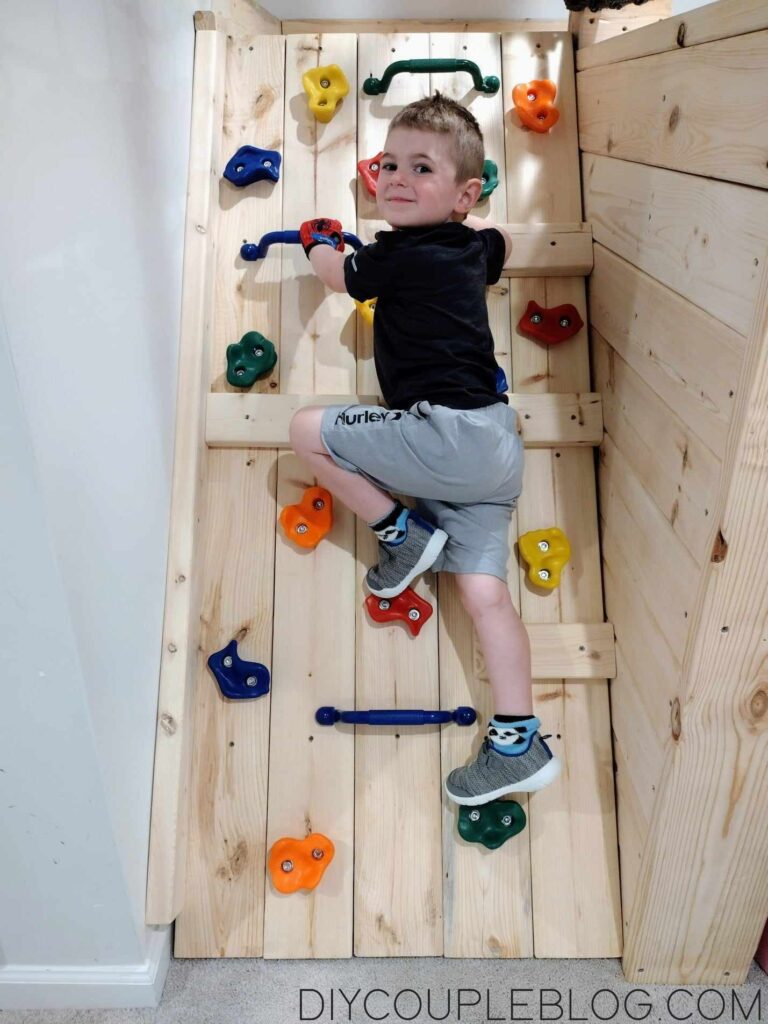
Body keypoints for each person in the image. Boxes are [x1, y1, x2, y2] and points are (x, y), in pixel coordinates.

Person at [289, 92, 561, 804]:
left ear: (464, 193)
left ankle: (399, 535)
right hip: (494, 448)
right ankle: (518, 736)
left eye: (421, 168)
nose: (397, 179)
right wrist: (479, 224)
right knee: (484, 595)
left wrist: (319, 239)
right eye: (388, 165)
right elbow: (499, 245)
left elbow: (340, 277)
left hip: (446, 433)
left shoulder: (396, 254)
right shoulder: (473, 246)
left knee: (307, 433)